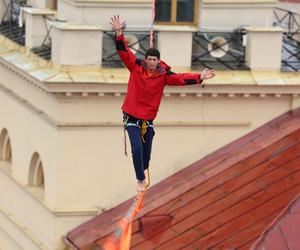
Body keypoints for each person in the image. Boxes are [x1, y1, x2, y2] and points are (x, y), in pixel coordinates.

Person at [110, 15, 216, 192]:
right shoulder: (136, 67)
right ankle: (140, 179)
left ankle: (143, 169)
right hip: (132, 117)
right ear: (146, 60)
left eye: (154, 60)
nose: (151, 63)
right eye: (149, 59)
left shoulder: (164, 76)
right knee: (136, 149)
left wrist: (200, 77)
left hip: (147, 119)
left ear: (158, 61)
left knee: (146, 154)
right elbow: (124, 52)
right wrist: (119, 33)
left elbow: (181, 79)